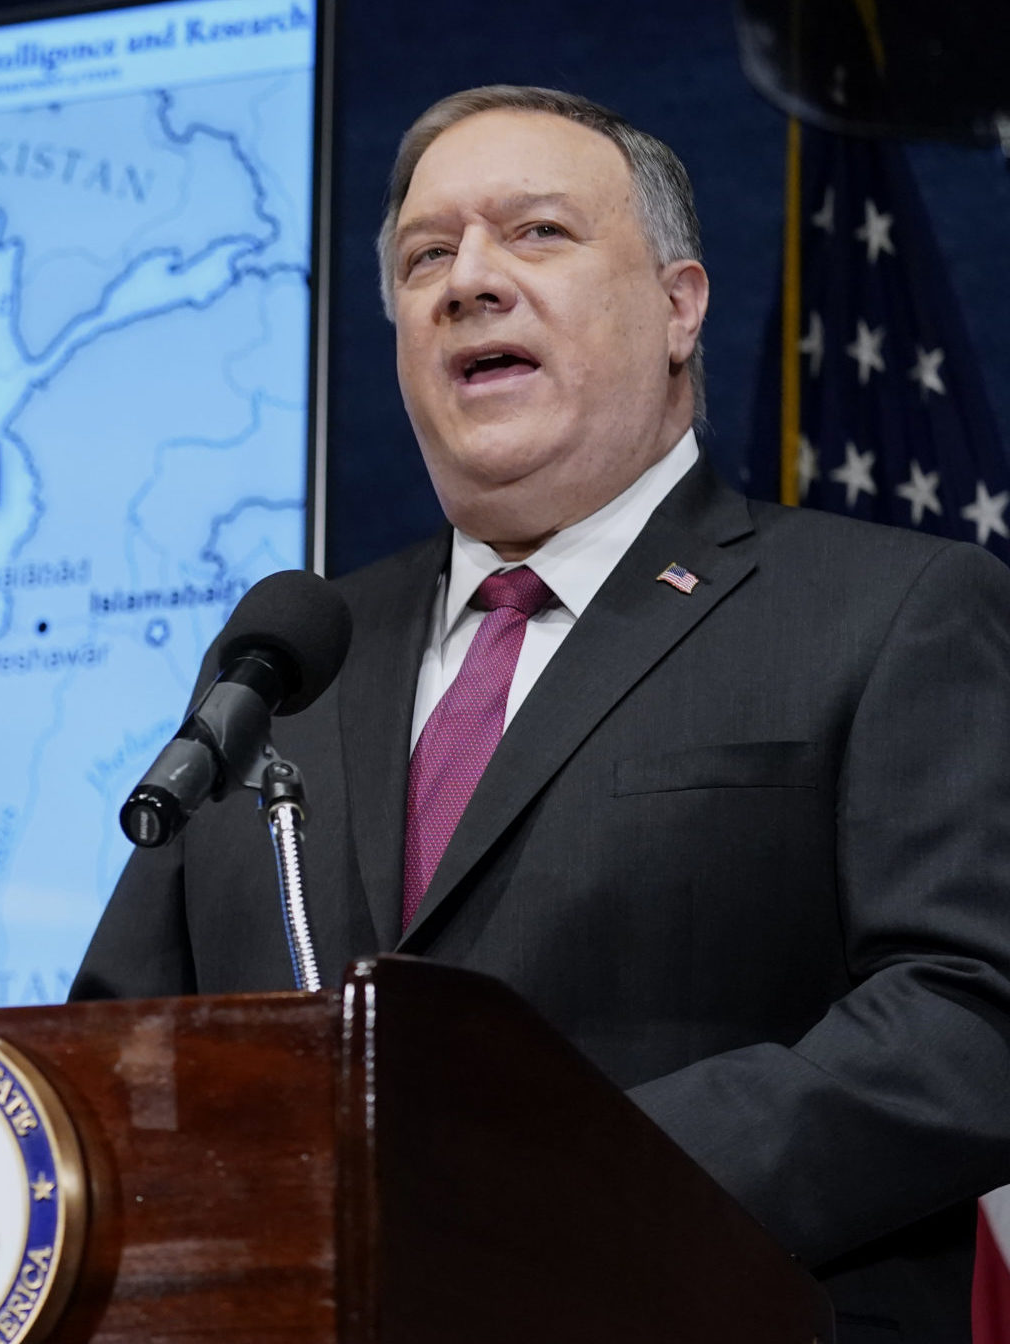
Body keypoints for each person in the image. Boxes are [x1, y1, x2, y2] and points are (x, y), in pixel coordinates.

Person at [72, 85, 1010, 1340]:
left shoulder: (891, 611)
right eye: (424, 256)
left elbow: (969, 1015)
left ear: (679, 307)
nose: (468, 280)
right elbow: (116, 1055)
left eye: (536, 234)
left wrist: (569, 1172)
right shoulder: (284, 664)